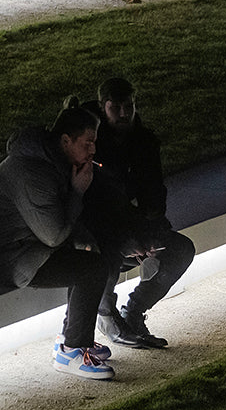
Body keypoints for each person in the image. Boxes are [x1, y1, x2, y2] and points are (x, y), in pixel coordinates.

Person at [0, 104, 118, 380]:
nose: (93, 151)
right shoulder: (32, 173)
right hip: (9, 259)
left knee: (92, 255)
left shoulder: (53, 162)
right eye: (88, 143)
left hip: (30, 246)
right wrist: (77, 192)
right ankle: (72, 350)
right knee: (92, 268)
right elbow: (54, 234)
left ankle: (71, 337)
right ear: (66, 141)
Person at [83, 76, 196, 349]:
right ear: (102, 107)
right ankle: (106, 315)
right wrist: (129, 235)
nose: (124, 113)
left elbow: (154, 192)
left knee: (180, 249)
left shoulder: (143, 141)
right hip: (94, 229)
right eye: (116, 107)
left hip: (130, 225)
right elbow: (95, 203)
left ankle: (133, 312)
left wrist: (151, 231)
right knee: (107, 250)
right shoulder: (90, 142)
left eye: (129, 106)